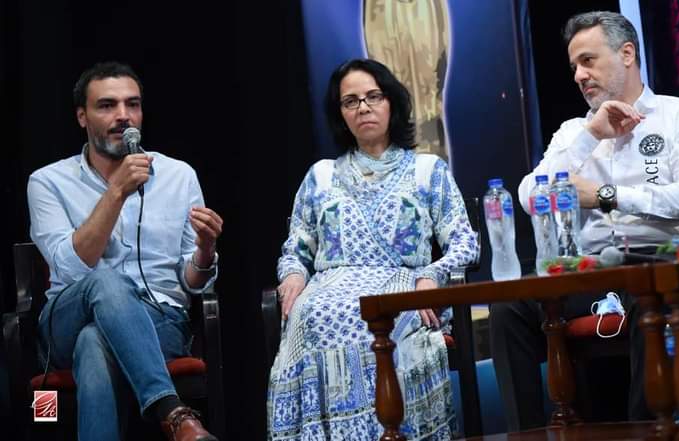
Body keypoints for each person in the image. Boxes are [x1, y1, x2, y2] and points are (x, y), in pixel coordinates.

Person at [489, 11, 679, 431]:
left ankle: (648, 432)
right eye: (574, 67)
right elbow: (528, 196)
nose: (579, 75)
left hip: (661, 264)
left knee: (649, 301)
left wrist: (608, 196)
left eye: (588, 61)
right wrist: (590, 136)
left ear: (627, 54)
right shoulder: (574, 132)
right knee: (509, 309)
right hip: (592, 269)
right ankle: (527, 433)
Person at [266, 58, 478, 440]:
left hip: (400, 285)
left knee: (373, 318)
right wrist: (294, 275)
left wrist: (432, 274)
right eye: (351, 101)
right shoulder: (320, 176)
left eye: (373, 96)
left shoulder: (427, 170)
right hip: (327, 290)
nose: (363, 107)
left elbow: (464, 241)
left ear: (391, 102)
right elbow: (295, 248)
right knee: (308, 316)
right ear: (341, 114)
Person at [27, 62, 222, 441]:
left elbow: (194, 283)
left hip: (159, 321)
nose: (123, 116)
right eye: (107, 105)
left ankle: (176, 418)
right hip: (66, 319)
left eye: (132, 104)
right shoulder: (48, 182)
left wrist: (205, 249)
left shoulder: (179, 175)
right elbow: (70, 268)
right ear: (82, 117)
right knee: (104, 281)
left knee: (94, 343)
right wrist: (116, 192)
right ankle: (174, 413)